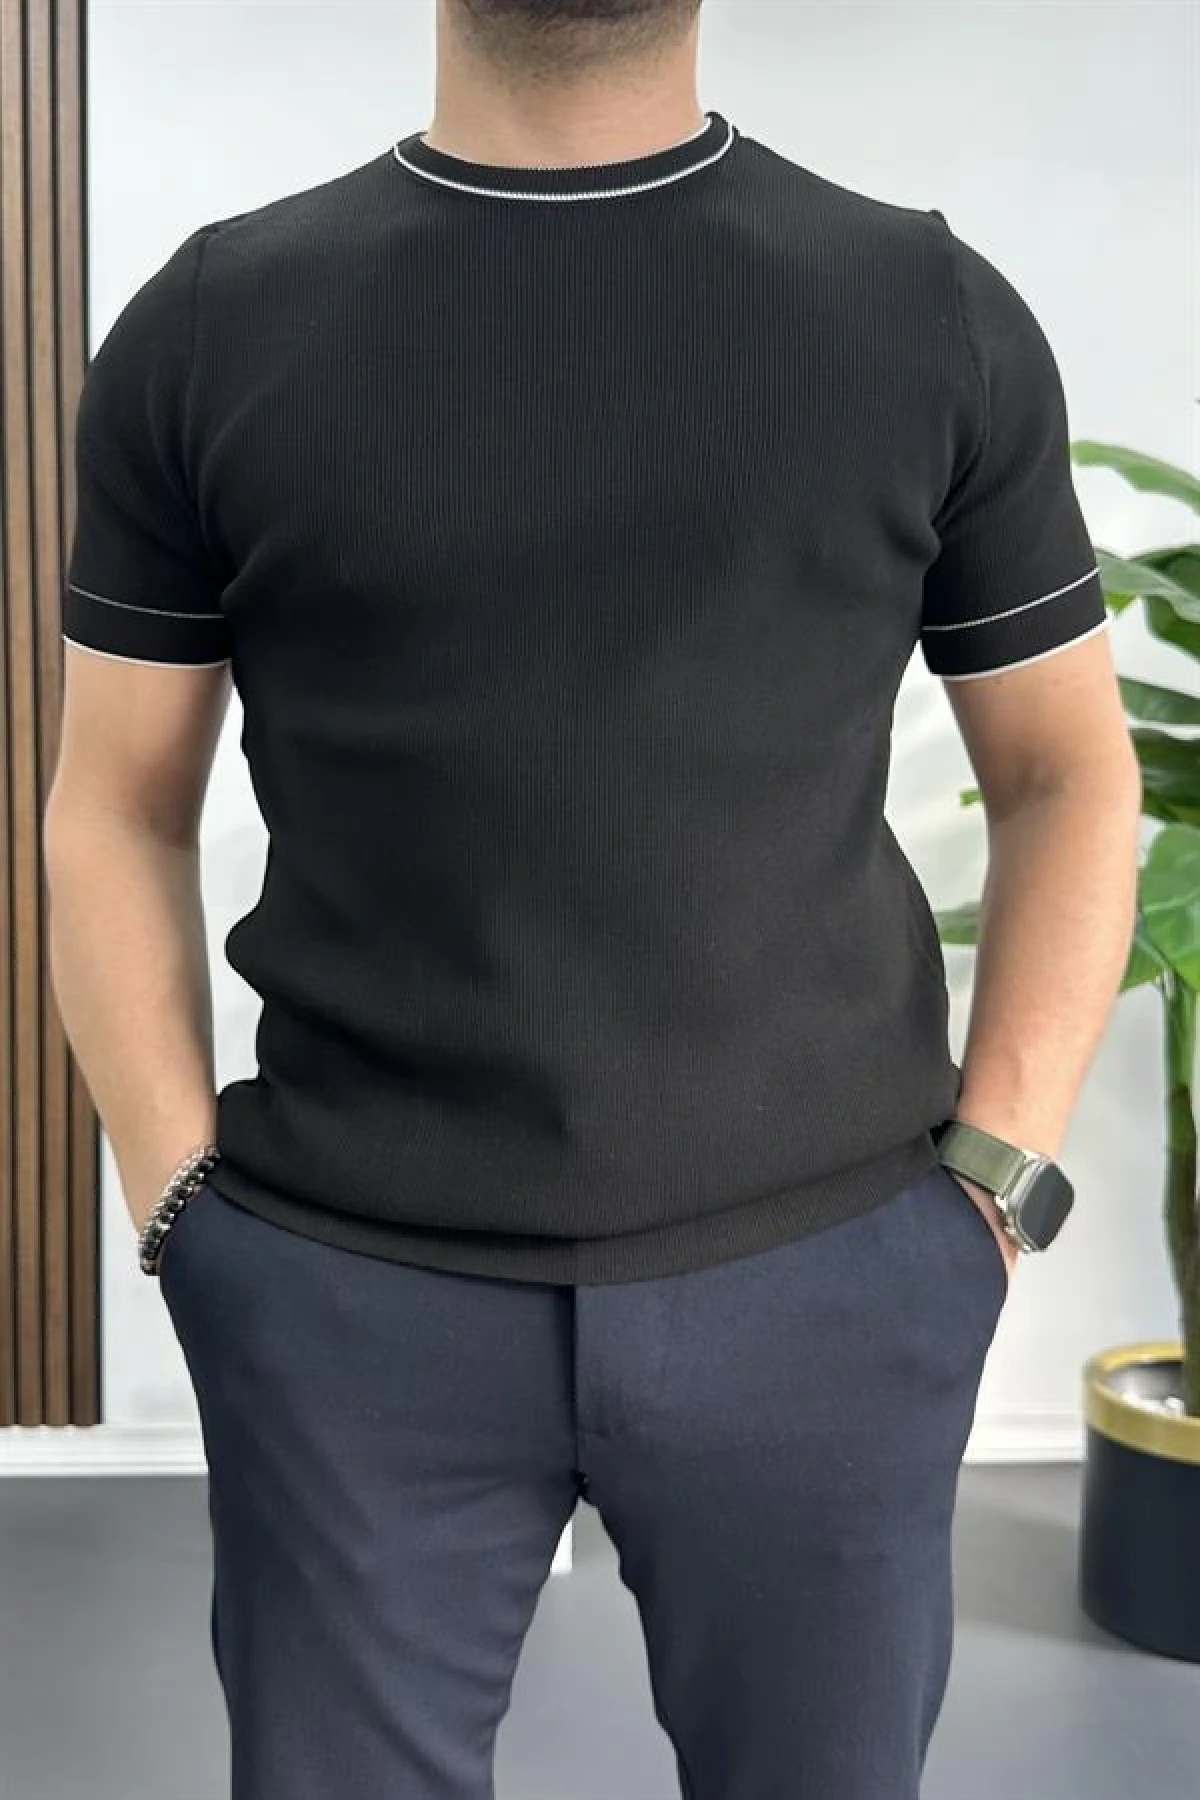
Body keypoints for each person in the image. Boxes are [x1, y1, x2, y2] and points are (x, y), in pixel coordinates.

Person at [43, 1, 1143, 1795]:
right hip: (348, 1292)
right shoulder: (212, 325)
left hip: (831, 1274)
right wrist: (183, 1215)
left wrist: (992, 1195)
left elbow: (1066, 773)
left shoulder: (925, 311)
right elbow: (113, 803)